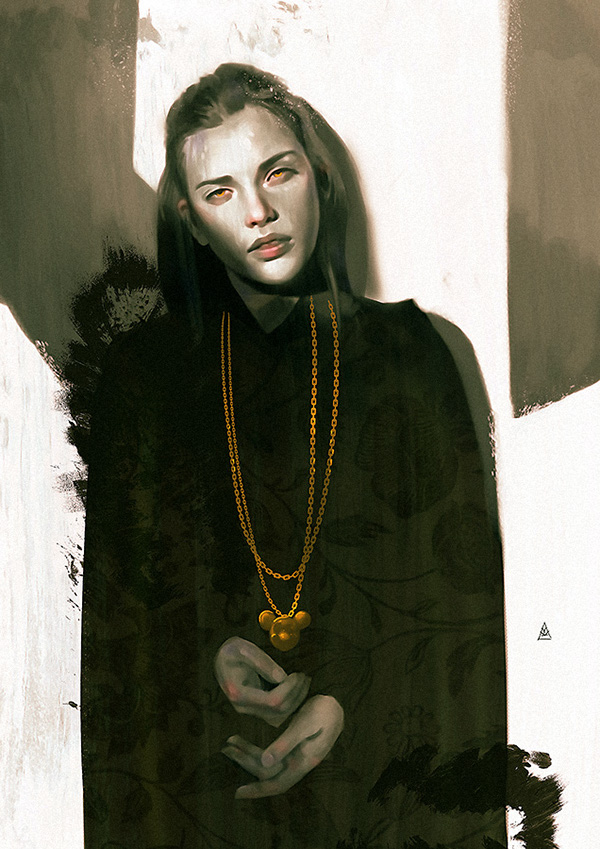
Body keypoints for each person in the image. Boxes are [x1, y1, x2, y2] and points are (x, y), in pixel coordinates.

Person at [81, 64, 507, 848]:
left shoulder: (415, 354)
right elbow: (119, 636)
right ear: (189, 218)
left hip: (377, 796)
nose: (258, 211)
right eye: (220, 192)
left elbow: (463, 616)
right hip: (206, 794)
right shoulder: (145, 378)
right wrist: (210, 659)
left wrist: (348, 701)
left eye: (278, 173)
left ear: (319, 176)